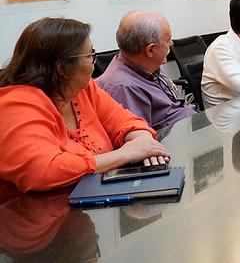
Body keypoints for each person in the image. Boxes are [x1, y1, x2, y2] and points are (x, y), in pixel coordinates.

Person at [0, 18, 170, 199]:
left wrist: (144, 142)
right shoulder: (15, 105)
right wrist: (125, 154)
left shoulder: (83, 89)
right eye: (89, 55)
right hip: (36, 217)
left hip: (88, 202)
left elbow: (126, 121)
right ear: (62, 68)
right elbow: (43, 171)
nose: (94, 64)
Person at [96, 11, 197, 132]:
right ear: (150, 50)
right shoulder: (123, 88)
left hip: (187, 126)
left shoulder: (147, 66)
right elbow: (141, 140)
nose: (172, 43)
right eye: (168, 40)